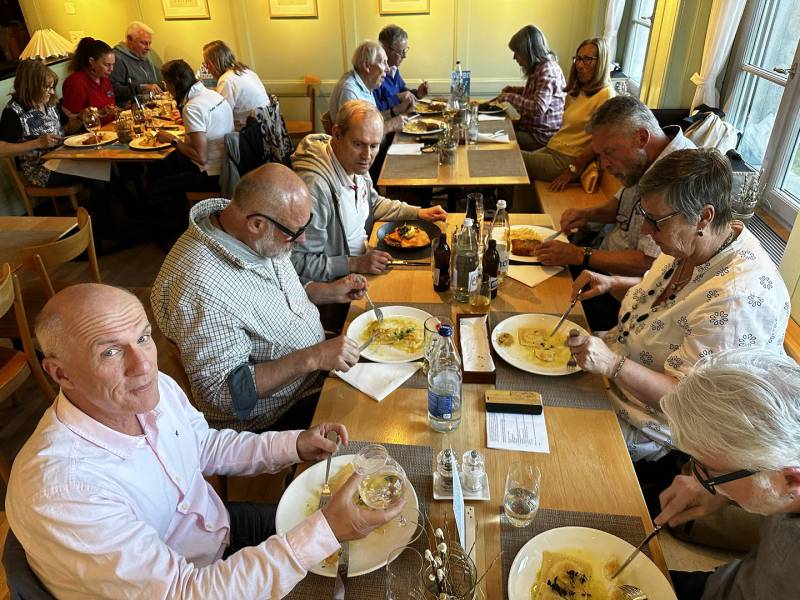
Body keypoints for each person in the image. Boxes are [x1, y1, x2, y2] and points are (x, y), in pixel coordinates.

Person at [5, 283, 404, 599]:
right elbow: (185, 592)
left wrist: (295, 445)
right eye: (110, 352)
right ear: (61, 373)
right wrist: (325, 531)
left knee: (378, 552)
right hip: (195, 583)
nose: (143, 365)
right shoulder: (63, 490)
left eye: (143, 338)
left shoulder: (146, 390)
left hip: (218, 528)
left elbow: (203, 446)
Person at [566, 148, 790, 507]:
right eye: (645, 216)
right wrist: (614, 283)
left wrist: (611, 364)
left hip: (652, 427)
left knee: (551, 446)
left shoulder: (738, 300)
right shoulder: (699, 243)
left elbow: (687, 402)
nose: (646, 230)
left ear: (704, 216)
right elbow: (674, 302)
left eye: (656, 221)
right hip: (612, 377)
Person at [151, 163, 367, 433]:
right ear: (256, 224)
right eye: (295, 233)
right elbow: (225, 394)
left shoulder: (252, 231)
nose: (302, 240)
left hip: (315, 372)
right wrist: (313, 357)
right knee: (371, 425)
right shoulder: (199, 288)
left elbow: (273, 293)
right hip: (276, 416)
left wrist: (327, 291)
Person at [535, 96, 695, 331]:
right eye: (600, 154)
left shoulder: (677, 175)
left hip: (620, 294)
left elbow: (648, 262)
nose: (604, 164)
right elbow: (619, 204)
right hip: (597, 261)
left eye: (609, 152)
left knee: (541, 309)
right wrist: (587, 214)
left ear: (642, 138)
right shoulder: (643, 161)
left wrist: (579, 255)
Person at [652, 348, 800, 600]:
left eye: (711, 473)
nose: (699, 479)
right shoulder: (784, 467)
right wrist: (720, 491)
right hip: (724, 586)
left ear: (792, 479)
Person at [291, 100, 447, 283]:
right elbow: (296, 262)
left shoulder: (354, 165)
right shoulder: (315, 189)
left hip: (367, 258)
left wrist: (418, 213)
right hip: (341, 281)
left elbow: (373, 203)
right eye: (358, 144)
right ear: (336, 134)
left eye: (374, 146)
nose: (367, 156)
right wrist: (354, 264)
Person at [149, 59, 234, 236]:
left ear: (172, 85)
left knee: (158, 187)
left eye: (166, 84)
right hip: (228, 162)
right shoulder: (212, 94)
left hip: (212, 173)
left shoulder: (192, 107)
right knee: (162, 165)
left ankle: (179, 232)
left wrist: (172, 139)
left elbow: (200, 157)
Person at [520, 37, 614, 192]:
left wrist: (572, 170)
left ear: (601, 62)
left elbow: (598, 143)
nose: (579, 65)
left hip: (566, 160)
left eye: (587, 59)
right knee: (516, 171)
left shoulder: (606, 96)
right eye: (578, 59)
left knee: (510, 159)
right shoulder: (581, 91)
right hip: (553, 149)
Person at [0, 60, 86, 187]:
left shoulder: (49, 102)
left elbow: (67, 129)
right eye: (47, 87)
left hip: (64, 157)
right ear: (32, 86)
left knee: (99, 164)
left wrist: (80, 118)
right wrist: (38, 143)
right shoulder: (13, 112)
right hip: (41, 170)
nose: (52, 92)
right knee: (93, 172)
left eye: (52, 87)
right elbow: (2, 149)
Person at [496, 25, 565, 151]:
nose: (514, 57)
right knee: (496, 129)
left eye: (517, 52)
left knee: (496, 139)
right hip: (530, 129)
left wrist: (509, 97)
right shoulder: (540, 67)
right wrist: (515, 90)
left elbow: (538, 107)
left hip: (540, 136)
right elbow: (537, 93)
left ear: (527, 52)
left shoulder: (547, 70)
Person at [328, 40, 409, 134]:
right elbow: (359, 134)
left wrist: (394, 112)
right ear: (367, 66)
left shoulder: (366, 84)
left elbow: (371, 121)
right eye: (383, 62)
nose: (387, 69)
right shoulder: (349, 90)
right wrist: (391, 125)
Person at [203, 39, 269, 131]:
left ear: (215, 62)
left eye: (207, 63)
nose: (206, 67)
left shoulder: (227, 80)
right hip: (266, 128)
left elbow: (219, 115)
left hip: (249, 133)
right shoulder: (245, 71)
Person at [61, 37, 118, 125]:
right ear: (92, 61)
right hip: (90, 131)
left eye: (112, 65)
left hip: (111, 126)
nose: (111, 69)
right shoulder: (76, 82)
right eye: (107, 65)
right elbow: (69, 120)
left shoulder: (104, 78)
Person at [373, 25, 427, 115]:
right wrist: (397, 98)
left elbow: (401, 90)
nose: (404, 56)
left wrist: (417, 93)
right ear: (387, 50)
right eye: (401, 52)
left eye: (405, 50)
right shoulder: (375, 74)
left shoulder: (394, 68)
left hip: (400, 117)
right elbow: (375, 109)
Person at [110, 21, 161, 106]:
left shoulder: (143, 55)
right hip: (129, 108)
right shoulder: (117, 58)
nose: (148, 48)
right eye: (144, 43)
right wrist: (141, 88)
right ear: (129, 39)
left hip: (149, 104)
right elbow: (113, 89)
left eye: (149, 43)